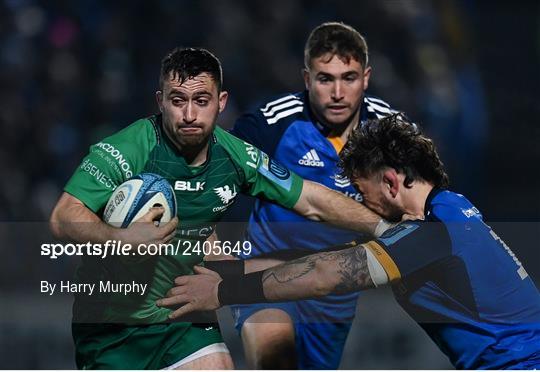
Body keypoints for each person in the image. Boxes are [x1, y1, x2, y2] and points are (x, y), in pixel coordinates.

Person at [49, 47, 392, 370]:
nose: (189, 114)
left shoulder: (236, 156)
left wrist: (383, 229)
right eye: (178, 101)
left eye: (201, 100)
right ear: (161, 102)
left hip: (182, 317)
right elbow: (64, 215)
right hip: (111, 325)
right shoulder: (128, 149)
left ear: (221, 102)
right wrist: (119, 238)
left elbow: (311, 199)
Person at [160, 114, 540, 369]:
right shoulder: (446, 210)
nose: (359, 204)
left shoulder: (431, 233)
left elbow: (326, 274)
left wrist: (225, 292)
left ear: (391, 182)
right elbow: (315, 262)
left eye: (361, 191)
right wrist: (217, 272)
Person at [227, 21, 400, 369]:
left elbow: (419, 206)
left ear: (366, 78)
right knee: (276, 357)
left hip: (334, 291)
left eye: (348, 78)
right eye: (325, 79)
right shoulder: (271, 125)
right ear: (307, 80)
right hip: (268, 270)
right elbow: (214, 177)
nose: (337, 92)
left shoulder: (392, 132)